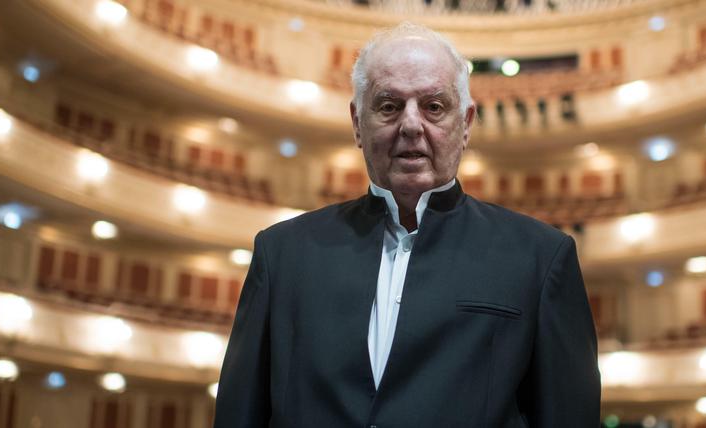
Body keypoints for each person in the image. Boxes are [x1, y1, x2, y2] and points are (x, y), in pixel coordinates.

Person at [214, 22, 600, 427]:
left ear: (466, 123)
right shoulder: (281, 254)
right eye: (388, 106)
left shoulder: (540, 258)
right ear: (357, 122)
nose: (411, 125)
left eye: (434, 106)